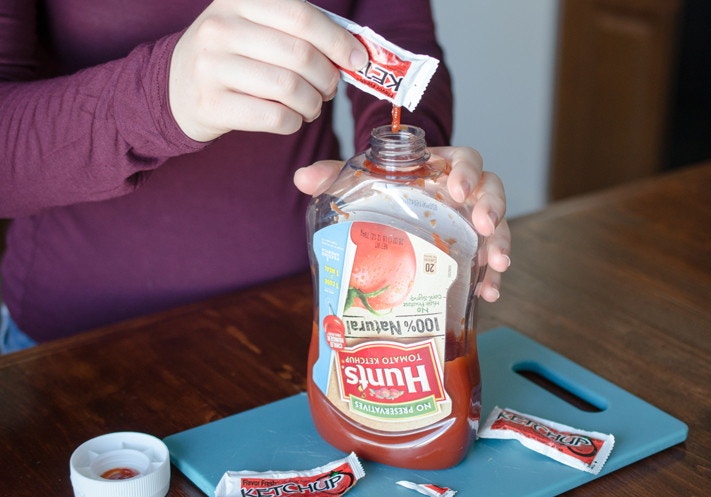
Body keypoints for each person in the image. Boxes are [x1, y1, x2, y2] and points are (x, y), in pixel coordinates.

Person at [0, 0, 511, 354]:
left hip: (319, 324)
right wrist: (159, 96)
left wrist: (406, 185)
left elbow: (400, 36)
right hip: (74, 352)